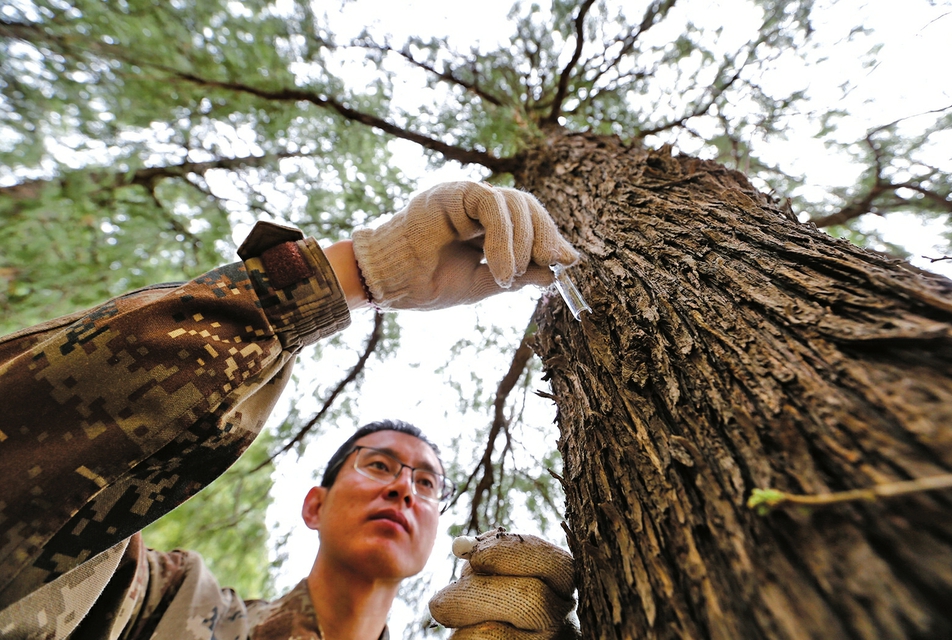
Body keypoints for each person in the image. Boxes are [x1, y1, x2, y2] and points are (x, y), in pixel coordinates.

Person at [0, 182, 579, 639]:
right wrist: (361, 270)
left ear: (435, 535)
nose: (404, 489)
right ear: (314, 505)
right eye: (378, 465)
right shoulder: (162, 609)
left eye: (427, 483)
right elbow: (45, 441)